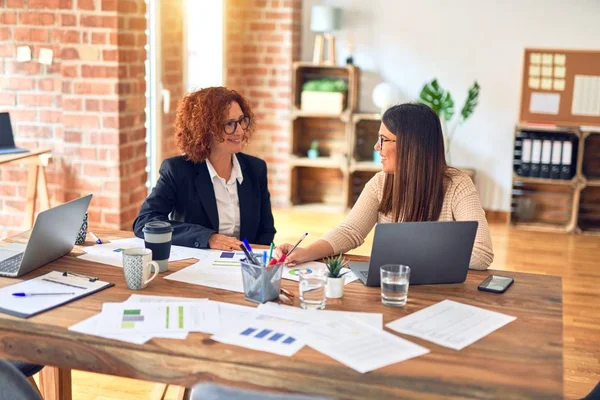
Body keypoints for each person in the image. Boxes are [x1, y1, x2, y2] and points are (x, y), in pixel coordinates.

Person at [275, 103, 493, 270]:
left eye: (383, 139)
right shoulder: (381, 182)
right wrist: (306, 252)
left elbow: (481, 254)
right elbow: (350, 231)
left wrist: (404, 256)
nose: (376, 146)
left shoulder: (457, 184)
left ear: (410, 145)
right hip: (392, 284)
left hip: (440, 292)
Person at [133, 87, 276, 250]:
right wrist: (208, 238)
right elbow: (145, 222)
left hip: (246, 265)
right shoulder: (177, 170)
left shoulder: (255, 169)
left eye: (242, 120)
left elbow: (266, 232)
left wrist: (256, 263)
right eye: (229, 124)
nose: (240, 130)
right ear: (205, 130)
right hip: (197, 266)